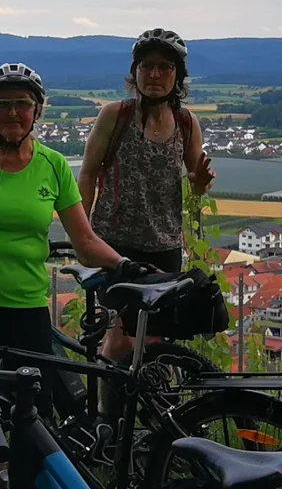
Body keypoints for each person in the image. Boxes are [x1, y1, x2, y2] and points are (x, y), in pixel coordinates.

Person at [0, 62, 150, 408]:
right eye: (2, 104)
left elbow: (84, 240)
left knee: (35, 410)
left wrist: (124, 264)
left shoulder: (53, 165)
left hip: (26, 306)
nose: (12, 112)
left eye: (22, 103)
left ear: (37, 111)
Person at [78, 27, 215, 364]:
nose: (154, 74)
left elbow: (196, 186)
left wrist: (200, 182)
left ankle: (153, 398)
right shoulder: (115, 116)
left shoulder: (186, 123)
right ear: (135, 72)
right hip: (114, 244)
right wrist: (83, 234)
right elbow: (88, 173)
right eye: (146, 66)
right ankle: (108, 399)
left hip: (164, 247)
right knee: (120, 340)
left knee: (155, 341)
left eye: (165, 67)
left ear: (178, 76)